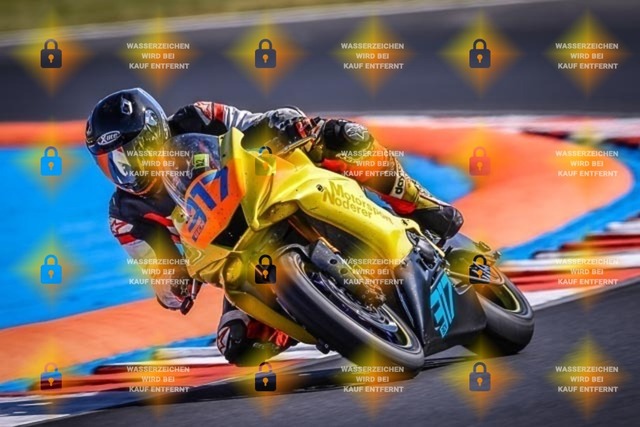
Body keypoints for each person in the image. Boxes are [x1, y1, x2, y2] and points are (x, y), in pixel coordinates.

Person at [85, 88, 463, 365]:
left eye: (133, 152)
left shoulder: (198, 117)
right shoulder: (126, 215)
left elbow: (253, 123)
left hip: (271, 188)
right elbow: (157, 268)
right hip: (233, 256)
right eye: (112, 162)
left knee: (343, 137)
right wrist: (172, 283)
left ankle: (419, 202)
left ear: (155, 132)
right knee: (238, 345)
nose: (126, 168)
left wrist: (289, 124)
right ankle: (319, 315)